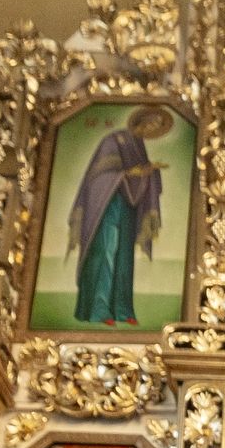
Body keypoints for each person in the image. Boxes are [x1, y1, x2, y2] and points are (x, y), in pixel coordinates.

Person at [68, 105, 173, 328]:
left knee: (125, 256)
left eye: (156, 126)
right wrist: (128, 173)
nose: (152, 129)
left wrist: (150, 172)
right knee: (106, 251)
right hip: (106, 205)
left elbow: (138, 176)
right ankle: (98, 309)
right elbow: (97, 177)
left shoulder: (139, 146)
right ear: (142, 121)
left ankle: (123, 310)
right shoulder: (114, 140)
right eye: (152, 123)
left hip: (127, 205)